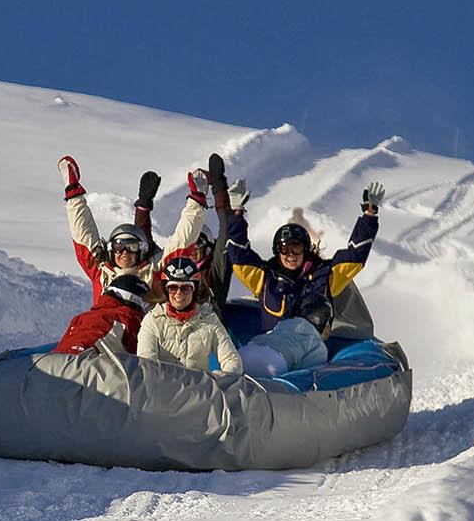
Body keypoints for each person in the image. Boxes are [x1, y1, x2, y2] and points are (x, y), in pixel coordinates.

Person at [213, 155, 384, 334]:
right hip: (274, 351)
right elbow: (239, 254)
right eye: (285, 249)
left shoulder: (325, 277)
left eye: (296, 248)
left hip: (312, 355)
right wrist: (236, 213)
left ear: (306, 249)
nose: (291, 254)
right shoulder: (265, 279)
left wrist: (369, 216)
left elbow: (355, 256)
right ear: (277, 251)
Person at [58, 156, 208, 299]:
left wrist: (196, 202)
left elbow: (181, 243)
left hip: (145, 325)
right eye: (119, 246)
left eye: (132, 246)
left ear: (141, 249)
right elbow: (83, 234)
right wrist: (73, 193)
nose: (124, 252)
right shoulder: (101, 272)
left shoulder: (153, 271)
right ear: (111, 250)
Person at [136, 255, 243, 373]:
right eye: (172, 287)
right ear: (165, 290)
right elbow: (146, 364)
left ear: (194, 289)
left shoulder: (209, 320)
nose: (178, 293)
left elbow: (232, 360)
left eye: (185, 288)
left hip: (199, 390)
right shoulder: (152, 320)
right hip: (163, 389)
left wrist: (216, 382)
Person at [52, 273, 151, 355]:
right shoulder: (128, 318)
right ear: (136, 301)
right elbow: (145, 356)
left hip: (53, 367)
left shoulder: (81, 318)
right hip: (87, 371)